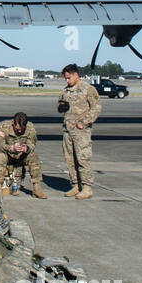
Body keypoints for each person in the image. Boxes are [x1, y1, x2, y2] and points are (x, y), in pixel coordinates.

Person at [57, 62, 101, 198]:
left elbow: (96, 108)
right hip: (68, 130)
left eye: (69, 77)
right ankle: (75, 185)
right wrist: (61, 107)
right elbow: (59, 105)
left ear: (76, 75)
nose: (67, 80)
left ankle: (87, 187)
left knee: (83, 159)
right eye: (66, 78)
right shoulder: (65, 90)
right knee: (70, 159)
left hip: (81, 131)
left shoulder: (88, 89)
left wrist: (85, 122)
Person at [0, 110, 46, 199]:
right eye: (17, 129)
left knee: (33, 157)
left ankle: (36, 188)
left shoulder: (30, 127)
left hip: (21, 155)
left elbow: (32, 144)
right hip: (7, 154)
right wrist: (11, 148)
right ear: (13, 123)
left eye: (22, 129)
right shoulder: (3, 126)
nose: (20, 131)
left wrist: (27, 148)